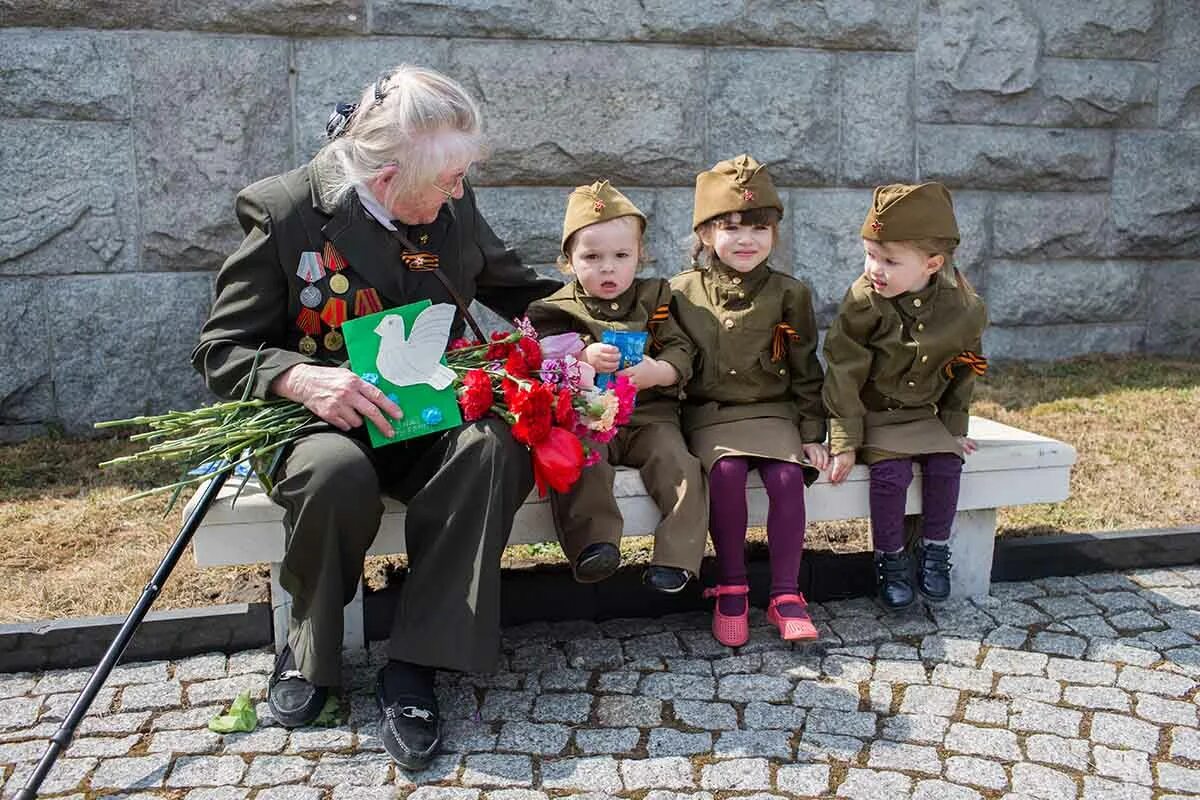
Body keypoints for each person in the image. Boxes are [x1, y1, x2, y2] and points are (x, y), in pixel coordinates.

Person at [191, 65, 560, 770]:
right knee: (335, 474)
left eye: (461, 179)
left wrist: (589, 327)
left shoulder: (448, 195)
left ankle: (418, 660)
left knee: (493, 445)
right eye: (446, 183)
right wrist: (298, 377)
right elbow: (221, 350)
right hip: (316, 422)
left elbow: (517, 288)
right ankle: (308, 657)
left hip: (425, 411)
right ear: (386, 178)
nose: (459, 193)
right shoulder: (285, 210)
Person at [671, 155, 829, 647]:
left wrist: (811, 433)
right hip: (711, 415)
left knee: (786, 478)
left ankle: (786, 594)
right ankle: (732, 586)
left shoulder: (791, 294)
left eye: (759, 227)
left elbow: (806, 369)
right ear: (704, 234)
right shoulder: (680, 293)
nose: (747, 239)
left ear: (775, 234)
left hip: (772, 411)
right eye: (731, 227)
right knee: (726, 474)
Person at [525, 181, 706, 594]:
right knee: (584, 461)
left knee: (681, 465)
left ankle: (678, 557)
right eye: (591, 257)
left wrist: (660, 371)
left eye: (621, 256)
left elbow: (681, 346)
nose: (607, 268)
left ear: (639, 256)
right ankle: (594, 544)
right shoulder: (555, 309)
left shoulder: (656, 297)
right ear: (568, 262)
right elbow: (544, 363)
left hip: (650, 417)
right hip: (590, 415)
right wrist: (582, 359)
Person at [822, 182, 989, 611]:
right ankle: (890, 560)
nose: (874, 268)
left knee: (947, 464)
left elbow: (965, 367)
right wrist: (844, 439)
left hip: (922, 417)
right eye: (870, 254)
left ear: (932, 263)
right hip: (874, 415)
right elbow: (843, 370)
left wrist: (953, 428)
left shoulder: (964, 307)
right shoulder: (864, 300)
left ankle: (934, 551)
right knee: (891, 475)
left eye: (890, 261)